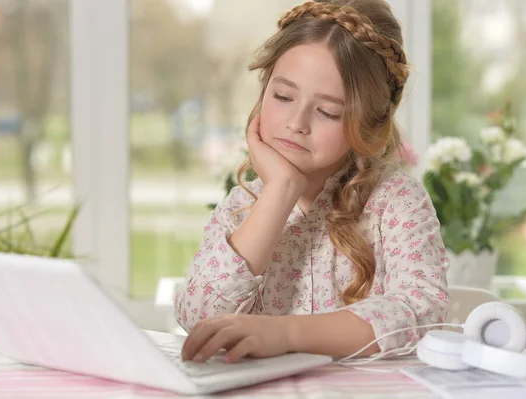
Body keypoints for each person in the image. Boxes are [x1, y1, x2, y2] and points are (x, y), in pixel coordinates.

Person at [175, 0, 450, 363]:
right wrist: (280, 190)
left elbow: (422, 311)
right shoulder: (243, 206)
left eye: (328, 112)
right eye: (283, 96)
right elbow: (200, 318)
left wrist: (287, 333)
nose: (297, 122)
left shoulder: (396, 202)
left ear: (369, 124)